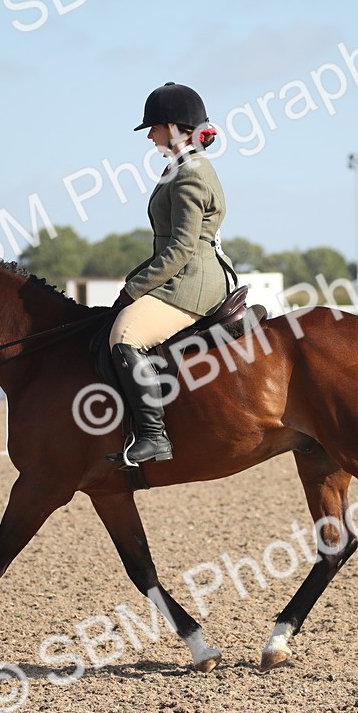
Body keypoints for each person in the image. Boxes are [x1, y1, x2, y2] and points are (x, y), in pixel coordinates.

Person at [108, 82, 235, 466]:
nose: (149, 135)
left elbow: (180, 249)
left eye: (155, 128)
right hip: (186, 272)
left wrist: (134, 289)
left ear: (175, 128)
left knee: (124, 335)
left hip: (193, 281)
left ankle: (153, 435)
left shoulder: (190, 174)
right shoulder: (182, 167)